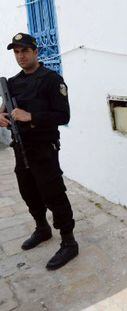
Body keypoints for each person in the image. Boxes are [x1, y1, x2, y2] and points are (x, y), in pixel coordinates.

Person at [0, 33, 79, 270]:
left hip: (44, 148)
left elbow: (63, 116)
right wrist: (1, 116)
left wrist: (31, 116)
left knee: (53, 193)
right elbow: (5, 107)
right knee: (29, 192)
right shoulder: (12, 82)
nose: (20, 56)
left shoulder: (51, 80)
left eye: (24, 51)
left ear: (36, 52)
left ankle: (68, 241)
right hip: (20, 148)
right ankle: (42, 228)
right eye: (16, 52)